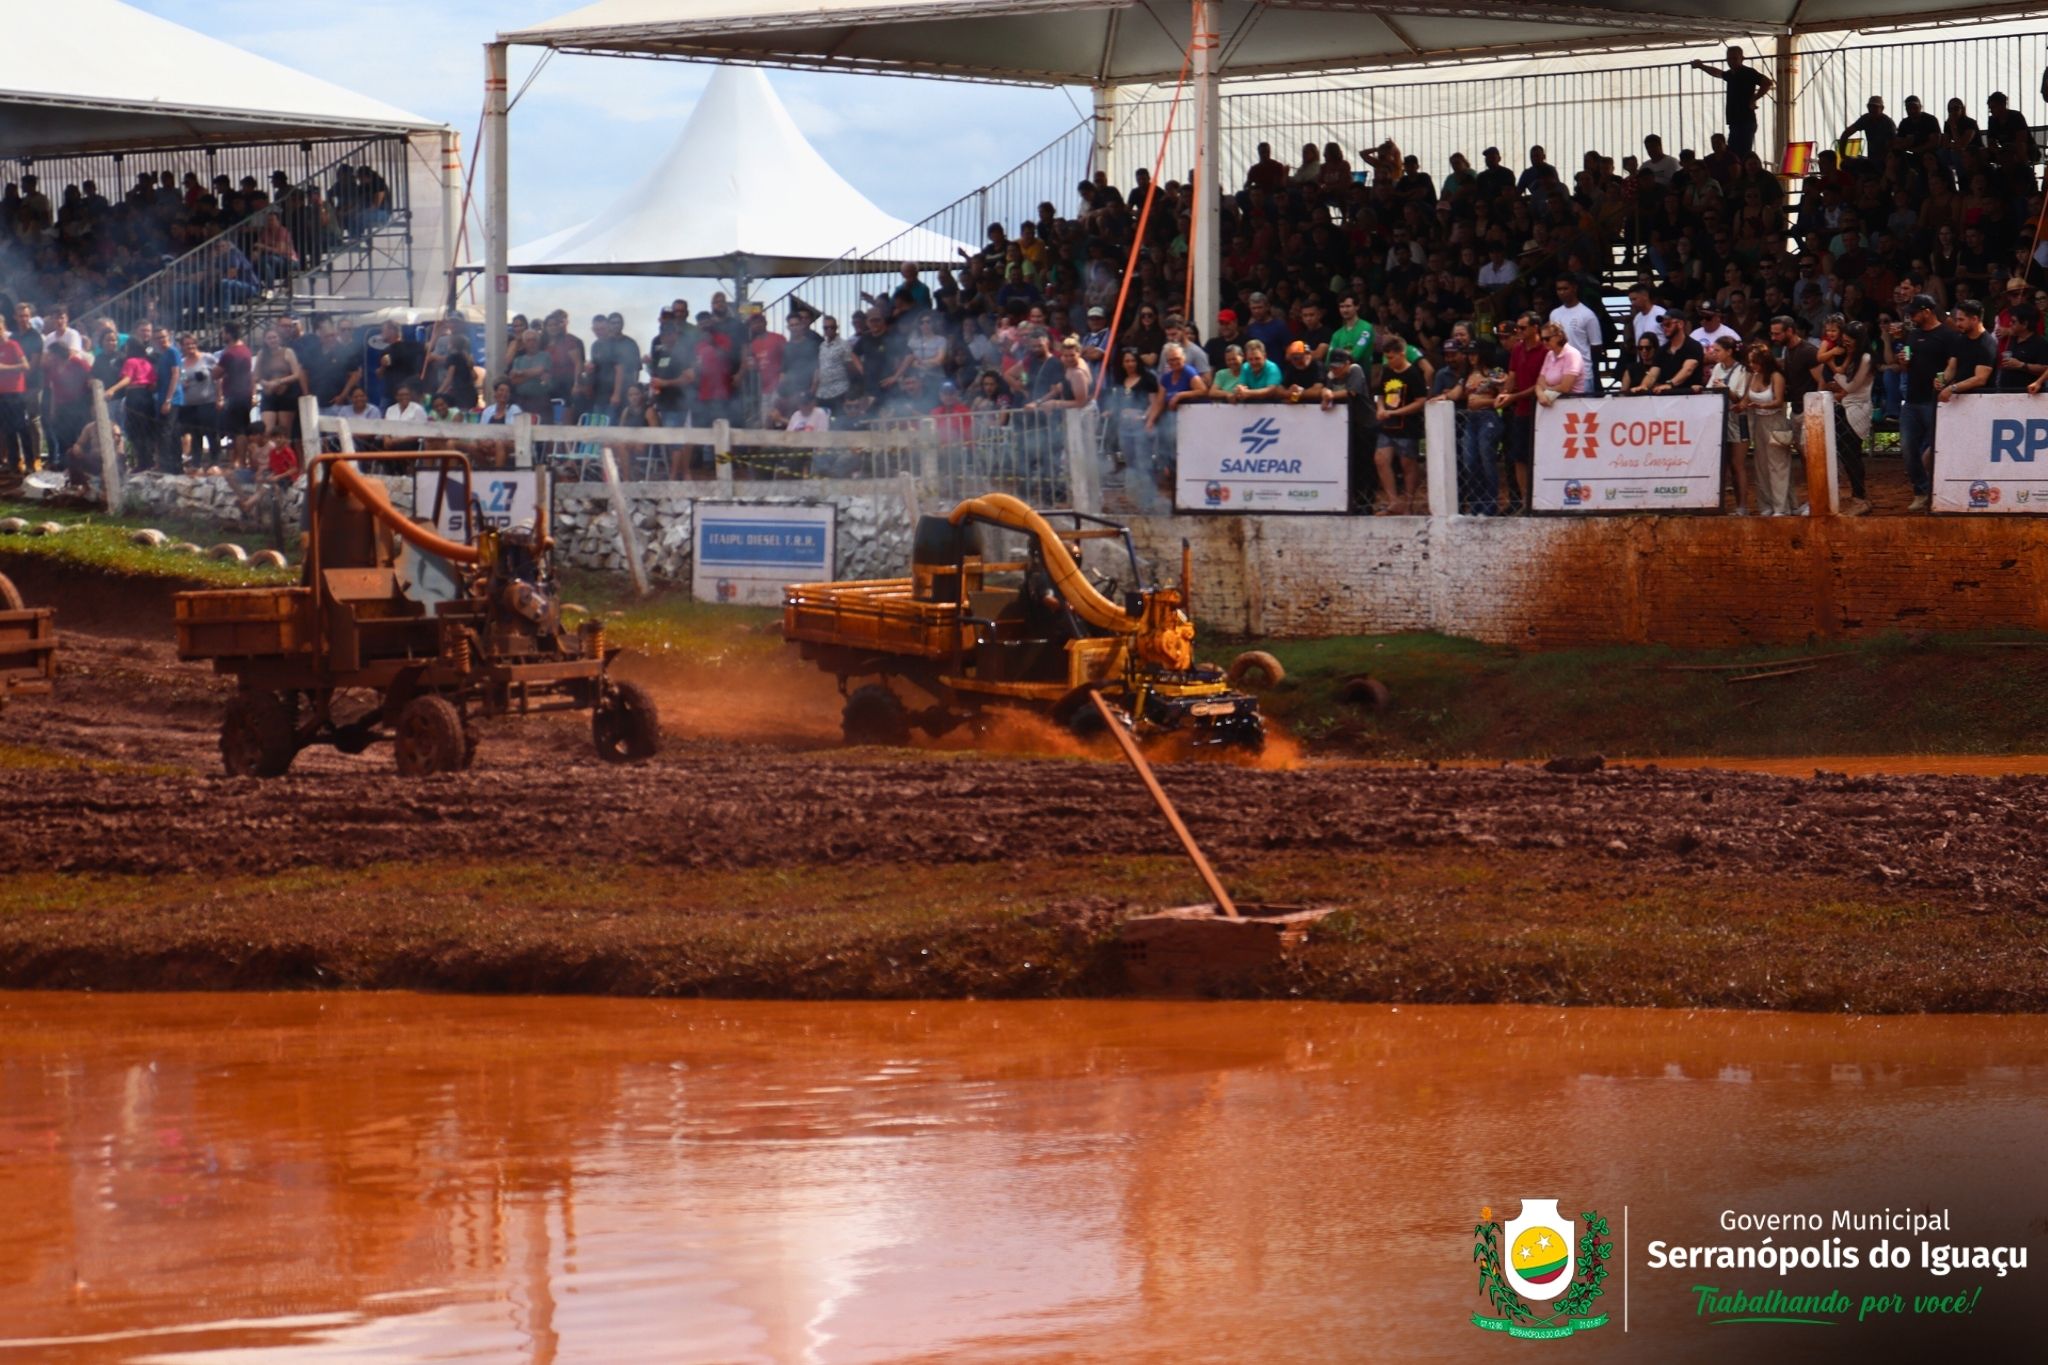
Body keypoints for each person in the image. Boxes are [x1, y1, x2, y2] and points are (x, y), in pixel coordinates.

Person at [1897, 294, 1953, 510]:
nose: (1911, 317)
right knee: (1908, 448)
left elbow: (1952, 365)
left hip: (1934, 401)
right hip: (1911, 399)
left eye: (1914, 313)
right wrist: (1903, 362)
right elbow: (1906, 367)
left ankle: (1939, 491)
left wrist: (1943, 381)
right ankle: (1921, 490)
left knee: (1937, 449)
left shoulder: (1947, 336)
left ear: (1927, 311)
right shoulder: (1912, 336)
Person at [1817, 319, 1873, 516]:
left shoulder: (1865, 358)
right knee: (1843, 453)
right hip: (1843, 407)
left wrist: (1836, 377)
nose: (1846, 343)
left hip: (1857, 409)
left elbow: (1850, 386)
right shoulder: (1851, 356)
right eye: (1845, 340)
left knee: (1852, 454)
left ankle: (1860, 496)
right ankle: (1855, 495)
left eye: (1850, 340)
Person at [1492, 313, 1547, 514]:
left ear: (1535, 328)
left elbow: (1541, 384)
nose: (1519, 333)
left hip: (1543, 409)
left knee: (1540, 456)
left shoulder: (1545, 350)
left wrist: (1513, 397)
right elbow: (1512, 376)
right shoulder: (1517, 349)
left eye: (1523, 329)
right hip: (1522, 410)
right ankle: (1526, 501)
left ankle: (1541, 498)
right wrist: (1505, 393)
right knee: (1519, 457)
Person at [1103, 348, 1163, 512]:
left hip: (1141, 427)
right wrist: (1111, 411)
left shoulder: (1148, 379)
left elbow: (1154, 402)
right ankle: (1135, 498)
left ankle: (1148, 499)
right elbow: (1117, 402)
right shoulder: (1120, 380)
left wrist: (1144, 417)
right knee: (1131, 463)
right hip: (1124, 427)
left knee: (1144, 461)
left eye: (1132, 360)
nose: (1130, 364)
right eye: (1126, 361)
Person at [1373, 336, 1427, 514]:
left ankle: (1408, 504)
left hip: (1407, 426)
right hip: (1387, 424)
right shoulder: (1387, 371)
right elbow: (1380, 393)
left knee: (1408, 464)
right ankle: (1393, 501)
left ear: (1402, 354)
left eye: (1392, 357)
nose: (1389, 361)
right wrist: (1381, 408)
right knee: (1380, 459)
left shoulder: (1413, 374)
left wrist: (1396, 412)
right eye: (1387, 357)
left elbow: (1420, 401)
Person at [1740, 345, 1794, 515]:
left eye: (1755, 361)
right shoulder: (1754, 376)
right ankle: (1766, 505)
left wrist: (1761, 405)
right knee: (1761, 465)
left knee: (1777, 465)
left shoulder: (1776, 376)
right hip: (1758, 422)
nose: (1752, 365)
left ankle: (1781, 506)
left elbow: (1779, 401)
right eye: (1750, 362)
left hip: (1775, 421)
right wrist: (1738, 406)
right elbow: (1745, 399)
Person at [1691, 46, 1772, 157]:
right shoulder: (1730, 74)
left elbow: (1767, 82)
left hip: (1745, 120)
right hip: (1735, 121)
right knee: (1734, 152)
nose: (1731, 61)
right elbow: (1717, 73)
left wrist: (1754, 98)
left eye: (1734, 58)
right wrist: (1702, 66)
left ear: (1742, 58)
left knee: (1741, 153)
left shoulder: (1748, 72)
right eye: (1729, 59)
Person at [1705, 336, 1754, 514]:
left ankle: (1743, 506)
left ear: (1729, 351)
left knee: (1737, 464)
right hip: (1721, 419)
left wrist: (1725, 388)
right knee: (1723, 463)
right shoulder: (1718, 367)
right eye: (1713, 350)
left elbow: (1740, 398)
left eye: (1717, 350)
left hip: (1738, 419)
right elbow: (1709, 388)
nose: (1714, 354)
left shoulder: (1742, 370)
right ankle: (1723, 505)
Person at [1548, 277, 1603, 391]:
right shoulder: (1554, 314)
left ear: (1574, 288)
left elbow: (1596, 346)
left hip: (1582, 374)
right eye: (1559, 289)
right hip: (1560, 373)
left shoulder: (1587, 315)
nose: (1562, 292)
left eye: (1565, 288)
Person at [1651, 312, 1706, 393]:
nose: (1664, 328)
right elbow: (1653, 373)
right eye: (1663, 325)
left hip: (1689, 397)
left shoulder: (1694, 346)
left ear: (1680, 324)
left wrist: (1670, 384)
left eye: (1668, 324)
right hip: (1666, 399)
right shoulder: (1661, 350)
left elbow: (1688, 369)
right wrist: (1644, 386)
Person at [0, 317, 28, 474]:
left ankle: (30, 461)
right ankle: (13, 463)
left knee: (21, 428)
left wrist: (5, 367)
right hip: (1, 394)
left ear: (3, 327)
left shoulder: (13, 345)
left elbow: (26, 365)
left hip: (15, 392)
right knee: (7, 430)